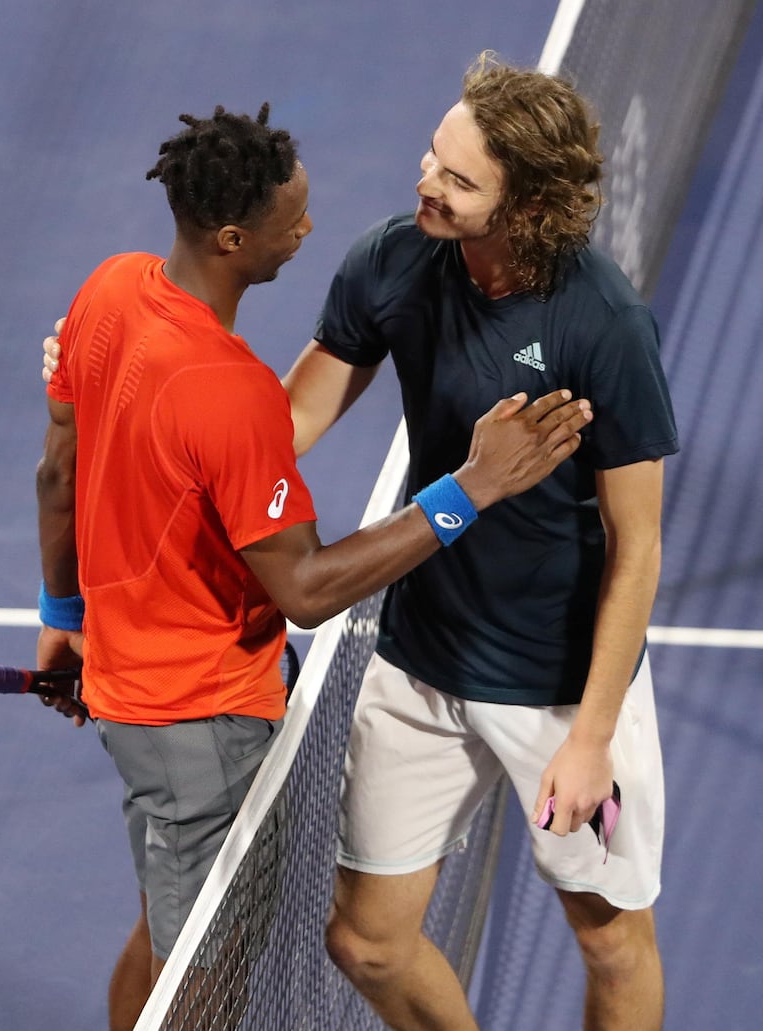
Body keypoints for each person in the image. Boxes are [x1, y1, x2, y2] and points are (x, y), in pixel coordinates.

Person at [36, 101, 591, 1030]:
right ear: (230, 236)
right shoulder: (231, 390)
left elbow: (60, 470)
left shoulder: (109, 289)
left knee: (169, 923)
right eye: (289, 217)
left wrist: (64, 615)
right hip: (198, 722)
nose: (306, 228)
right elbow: (305, 589)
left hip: (133, 680)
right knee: (203, 981)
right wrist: (469, 489)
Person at [282, 54, 678, 1030]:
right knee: (366, 940)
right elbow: (276, 428)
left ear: (527, 208)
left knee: (607, 939)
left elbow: (635, 548)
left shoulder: (601, 324)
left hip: (557, 685)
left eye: (458, 181)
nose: (426, 182)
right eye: (431, 157)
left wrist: (588, 737)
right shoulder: (390, 260)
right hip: (420, 663)